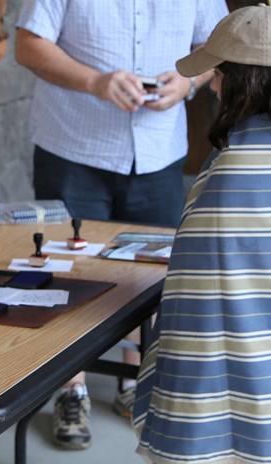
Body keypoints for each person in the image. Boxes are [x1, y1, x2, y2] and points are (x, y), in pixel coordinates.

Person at [14, 0, 228, 451]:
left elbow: (215, 43)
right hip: (72, 145)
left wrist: (190, 81)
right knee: (68, 270)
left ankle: (133, 377)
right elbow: (28, 45)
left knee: (149, 272)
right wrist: (95, 81)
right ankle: (71, 391)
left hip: (158, 149)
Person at [133, 5, 271, 463]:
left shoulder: (232, 173)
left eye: (218, 74)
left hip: (230, 402)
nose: (211, 85)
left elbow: (197, 308)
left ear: (242, 82)